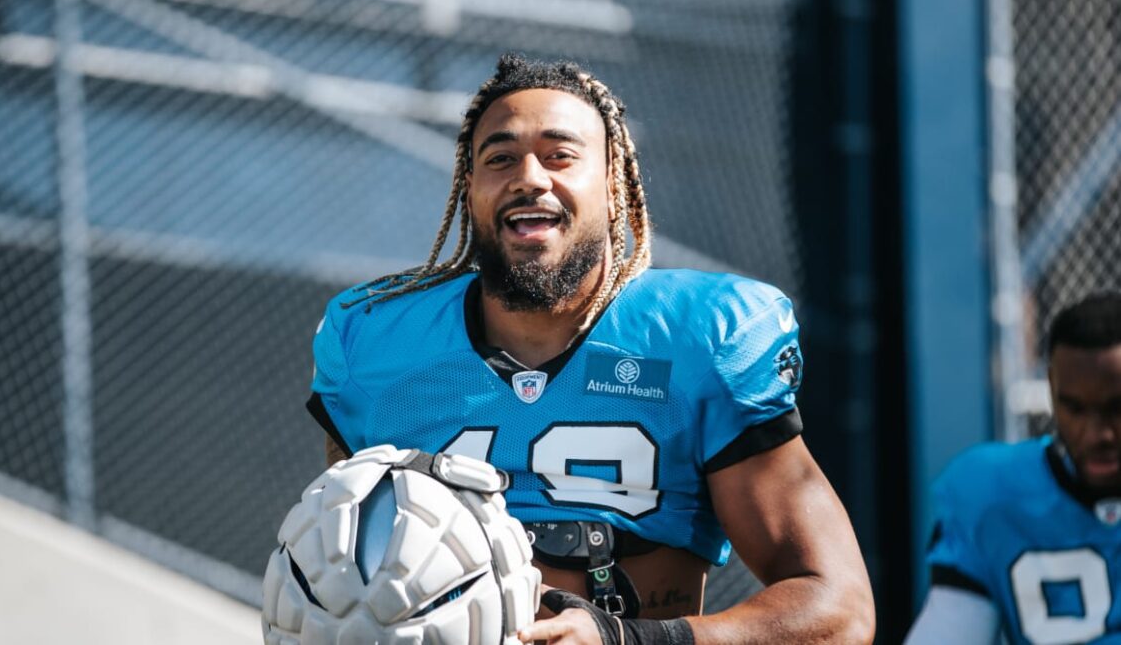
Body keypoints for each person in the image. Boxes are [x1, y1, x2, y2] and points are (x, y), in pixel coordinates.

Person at [305, 53, 874, 644]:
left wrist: (628, 640)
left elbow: (838, 610)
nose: (529, 177)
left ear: (612, 182)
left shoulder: (701, 338)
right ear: (469, 189)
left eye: (560, 155)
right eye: (500, 158)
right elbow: (336, 564)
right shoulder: (374, 342)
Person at [906, 292, 1121, 645]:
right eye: (1075, 408)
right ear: (1052, 389)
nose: (1097, 434)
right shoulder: (992, 495)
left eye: (1116, 407)